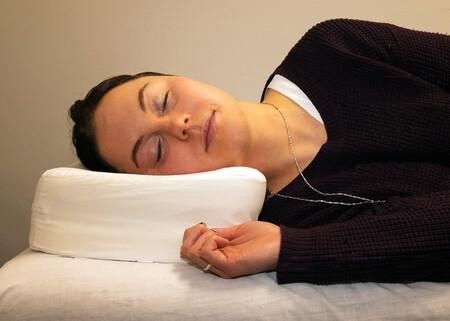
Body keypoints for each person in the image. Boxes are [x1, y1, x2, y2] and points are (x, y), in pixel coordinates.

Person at [69, 19, 450, 284]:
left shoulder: (333, 48)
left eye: (164, 100)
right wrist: (289, 248)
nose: (178, 125)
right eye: (155, 149)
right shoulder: (280, 223)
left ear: (180, 76)